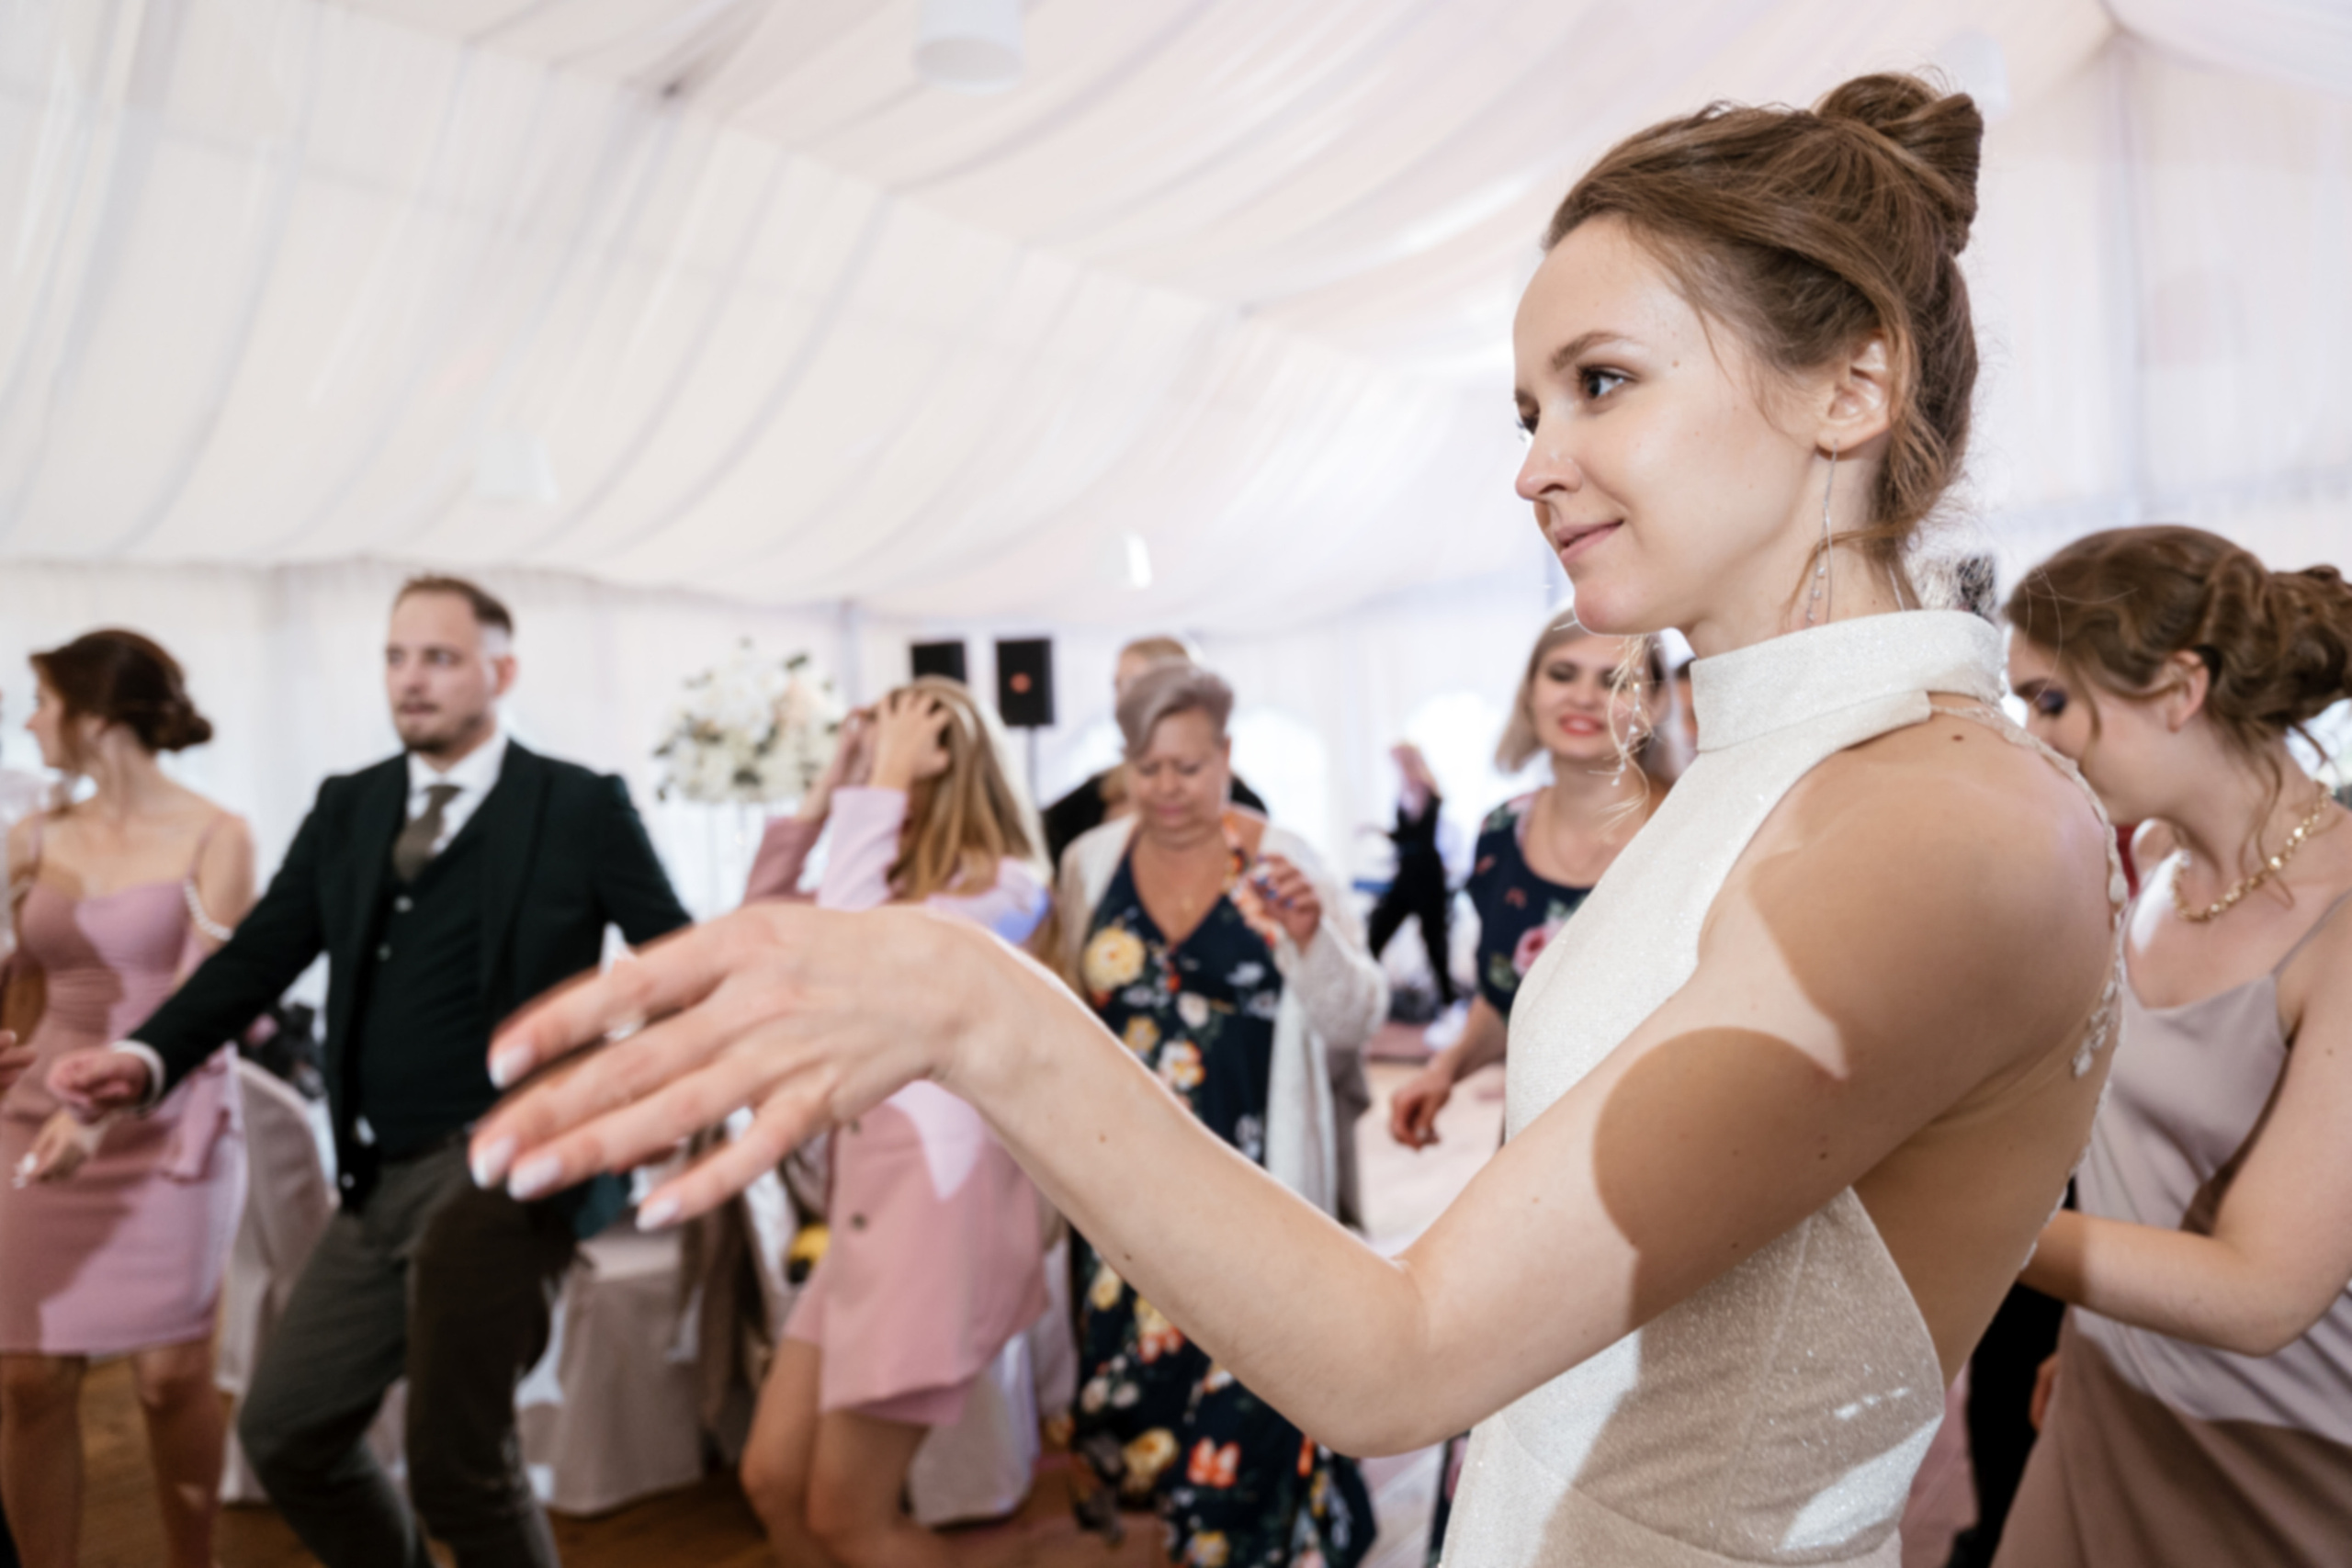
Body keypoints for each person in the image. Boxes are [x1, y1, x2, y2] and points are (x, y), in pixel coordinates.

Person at [468, 73, 2127, 1568]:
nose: (1535, 464)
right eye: (1528, 408)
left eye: (1599, 382)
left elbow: (1400, 1356)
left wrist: (975, 1003)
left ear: (1849, 385)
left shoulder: (1947, 822)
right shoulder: (1780, 778)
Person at [46, 576, 691, 1568]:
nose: (411, 680)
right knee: (286, 1432)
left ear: (499, 671)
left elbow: (679, 966)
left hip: (504, 1174)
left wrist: (627, 1097)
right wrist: (145, 1058)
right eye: (395, 658)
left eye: (438, 657)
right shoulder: (350, 806)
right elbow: (261, 956)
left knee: (456, 1465)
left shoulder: (576, 805)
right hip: (373, 1174)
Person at [1991, 526, 2352, 1568]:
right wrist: (2083, 1338)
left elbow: (2257, 1294)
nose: (2031, 735)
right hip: (2108, 1396)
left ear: (2178, 689)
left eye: (2050, 700)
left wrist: (1945, 1208)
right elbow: (2122, 1154)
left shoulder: (2339, 927)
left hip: (2274, 1451)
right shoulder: (2148, 862)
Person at [1056, 661, 1383, 1565]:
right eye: (1148, 769)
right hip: (1121, 1201)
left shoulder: (1282, 860)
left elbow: (1357, 1014)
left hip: (1251, 1195)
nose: (1167, 791)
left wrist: (1313, 937)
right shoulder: (1090, 862)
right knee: (1143, 1422)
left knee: (1242, 1434)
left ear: (1227, 758)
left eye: (1189, 768)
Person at [733, 680, 1053, 1567]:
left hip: (934, 1229)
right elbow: (765, 924)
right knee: (771, 1480)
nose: (876, 762)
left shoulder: (1007, 892)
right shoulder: (886, 876)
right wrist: (826, 792)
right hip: (866, 1225)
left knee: (848, 1518)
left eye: (894, 747)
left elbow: (847, 950)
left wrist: (882, 785)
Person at [0, 632, 254, 1568]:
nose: (30, 722)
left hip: (167, 1118)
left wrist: (97, 1113)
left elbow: (204, 1001)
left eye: (40, 701)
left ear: (95, 715)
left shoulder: (216, 834)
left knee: (170, 1379)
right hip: (29, 1117)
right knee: (27, 1381)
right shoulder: (28, 837)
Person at [1387, 619, 1674, 1153]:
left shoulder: (1694, 828)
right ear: (1530, 694)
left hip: (1665, 1140)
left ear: (1654, 708)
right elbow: (1507, 1001)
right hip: (1534, 1137)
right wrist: (1443, 1071)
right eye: (1563, 674)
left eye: (1617, 681)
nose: (1586, 697)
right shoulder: (1500, 833)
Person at [1040, 637, 1267, 869]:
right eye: (1118, 686)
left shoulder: (1244, 805)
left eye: (1138, 685)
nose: (1123, 700)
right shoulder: (1095, 794)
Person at [1364, 742, 1458, 1016]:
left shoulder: (1421, 788)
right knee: (1377, 934)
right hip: (1406, 876)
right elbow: (1404, 835)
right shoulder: (1408, 790)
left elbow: (1416, 827)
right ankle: (1367, 996)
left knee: (1435, 944)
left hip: (1426, 877)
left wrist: (1411, 786)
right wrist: (1375, 830)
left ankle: (1449, 1004)